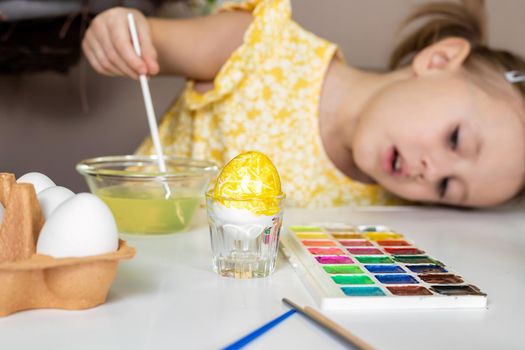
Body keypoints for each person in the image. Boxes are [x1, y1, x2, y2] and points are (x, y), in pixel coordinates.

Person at [82, 0, 525, 208]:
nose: (432, 173)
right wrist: (122, 28)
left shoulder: (390, 212)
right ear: (439, 59)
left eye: (447, 188)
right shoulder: (262, 46)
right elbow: (146, 40)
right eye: (455, 139)